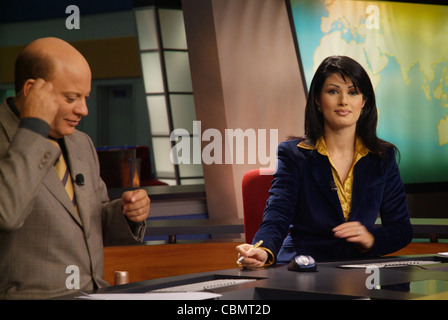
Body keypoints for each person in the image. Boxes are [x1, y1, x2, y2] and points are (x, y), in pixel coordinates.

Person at [0, 37, 150, 299]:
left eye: (85, 97)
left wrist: (126, 214)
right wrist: (34, 127)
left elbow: (91, 220)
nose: (84, 110)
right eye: (71, 98)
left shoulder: (81, 143)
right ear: (31, 90)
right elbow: (6, 214)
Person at [236, 55, 413, 268]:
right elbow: (278, 214)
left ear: (364, 102)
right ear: (318, 101)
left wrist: (371, 239)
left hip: (358, 271)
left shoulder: (382, 158)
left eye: (353, 92)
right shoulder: (294, 155)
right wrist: (263, 250)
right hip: (304, 267)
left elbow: (401, 228)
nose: (343, 101)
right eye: (333, 91)